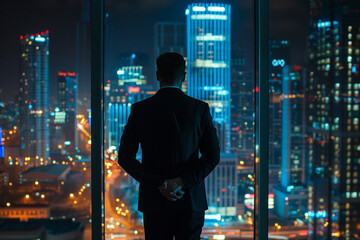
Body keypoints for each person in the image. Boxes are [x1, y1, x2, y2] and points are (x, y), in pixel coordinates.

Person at [118, 52, 220, 240]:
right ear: (184, 76)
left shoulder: (141, 110)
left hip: (155, 201)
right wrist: (182, 181)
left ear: (157, 75)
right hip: (191, 201)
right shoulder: (199, 109)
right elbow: (212, 156)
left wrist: (159, 183)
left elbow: (125, 157)